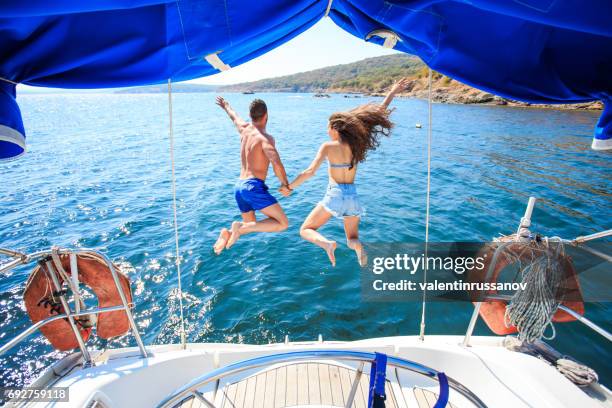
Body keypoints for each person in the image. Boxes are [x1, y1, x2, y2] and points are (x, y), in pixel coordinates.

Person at [283, 78, 413, 266]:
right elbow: (377, 115)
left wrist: (289, 187)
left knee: (305, 229)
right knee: (352, 239)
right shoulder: (356, 144)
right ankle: (359, 249)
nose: (326, 131)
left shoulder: (328, 146)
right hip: (352, 195)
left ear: (334, 128)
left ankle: (327, 244)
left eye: (328, 127)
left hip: (335, 193)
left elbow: (310, 172)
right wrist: (392, 92)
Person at [213, 96, 291, 254]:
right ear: (266, 115)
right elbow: (276, 162)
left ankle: (228, 233)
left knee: (251, 224)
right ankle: (238, 229)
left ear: (250, 115)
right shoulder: (265, 139)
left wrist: (225, 105)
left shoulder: (244, 129)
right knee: (282, 223)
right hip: (253, 186)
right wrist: (285, 184)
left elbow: (233, 116)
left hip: (239, 187)